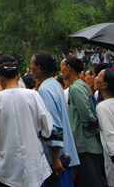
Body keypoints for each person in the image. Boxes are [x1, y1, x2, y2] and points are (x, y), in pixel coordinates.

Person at [0, 55, 54, 187]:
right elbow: (48, 129)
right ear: (18, 76)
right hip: (34, 165)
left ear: (0, 79)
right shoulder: (33, 95)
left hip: (7, 167)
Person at [31, 54, 80, 187]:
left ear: (40, 68)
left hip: (59, 158)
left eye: (32, 65)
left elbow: (54, 125)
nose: (30, 68)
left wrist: (55, 158)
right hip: (67, 153)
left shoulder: (45, 90)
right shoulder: (55, 84)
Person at [60, 56, 105, 187]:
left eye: (62, 66)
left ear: (69, 68)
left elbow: (86, 115)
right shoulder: (81, 85)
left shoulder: (76, 88)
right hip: (88, 143)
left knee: (91, 180)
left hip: (85, 144)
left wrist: (92, 129)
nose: (61, 70)